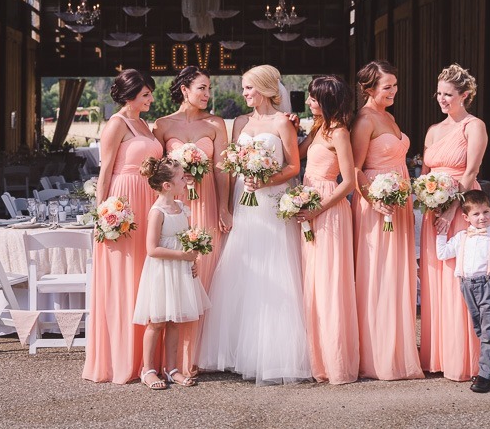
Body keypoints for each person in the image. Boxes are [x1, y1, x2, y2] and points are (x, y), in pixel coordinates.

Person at [198, 65, 311, 385]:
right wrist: (225, 206)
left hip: (271, 203)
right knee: (241, 269)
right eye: (244, 88)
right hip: (243, 203)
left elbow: (293, 166)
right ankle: (237, 351)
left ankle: (271, 354)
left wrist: (265, 181)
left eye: (249, 88)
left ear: (263, 88)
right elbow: (230, 166)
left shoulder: (281, 122)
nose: (244, 93)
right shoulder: (241, 123)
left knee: (275, 269)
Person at [83, 69, 163, 384]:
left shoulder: (146, 124)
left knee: (145, 273)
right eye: (145, 95)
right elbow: (105, 171)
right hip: (125, 200)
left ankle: (147, 357)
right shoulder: (116, 124)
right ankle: (121, 358)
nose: (151, 99)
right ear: (129, 96)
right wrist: (102, 213)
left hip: (150, 200)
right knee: (124, 276)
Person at [153, 66, 232, 376]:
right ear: (184, 90)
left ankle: (198, 355)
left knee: (205, 273)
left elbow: (223, 169)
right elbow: (155, 171)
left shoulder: (216, 125)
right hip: (176, 206)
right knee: (177, 273)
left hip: (208, 203)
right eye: (201, 88)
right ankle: (174, 359)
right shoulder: (161, 125)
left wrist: (225, 208)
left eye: (209, 88)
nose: (207, 94)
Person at [351, 61, 425, 381]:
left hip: (399, 201)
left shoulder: (390, 117)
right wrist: (374, 200)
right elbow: (353, 169)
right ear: (369, 89)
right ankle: (376, 353)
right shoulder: (365, 120)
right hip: (376, 205)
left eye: (395, 85)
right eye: (387, 86)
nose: (394, 91)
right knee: (377, 273)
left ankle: (397, 348)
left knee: (397, 273)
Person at [419, 63, 488, 382]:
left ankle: (463, 358)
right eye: (439, 93)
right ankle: (438, 356)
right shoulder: (433, 130)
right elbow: (424, 173)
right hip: (433, 211)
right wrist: (424, 201)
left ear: (465, 95)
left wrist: (450, 210)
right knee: (436, 283)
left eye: (448, 94)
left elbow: (470, 173)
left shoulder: (474, 127)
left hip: (461, 211)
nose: (442, 99)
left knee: (460, 281)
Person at [295, 75, 359, 384]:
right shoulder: (317, 128)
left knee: (330, 282)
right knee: (313, 282)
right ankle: (316, 359)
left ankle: (335, 361)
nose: (308, 102)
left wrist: (318, 208)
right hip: (308, 206)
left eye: (313, 98)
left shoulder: (340, 132)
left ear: (327, 101)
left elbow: (347, 181)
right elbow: (298, 156)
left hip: (329, 209)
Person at [133, 157, 211, 390]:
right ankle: (148, 370)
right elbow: (152, 249)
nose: (185, 180)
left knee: (175, 320)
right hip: (162, 272)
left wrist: (193, 259)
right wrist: (183, 257)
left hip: (180, 271)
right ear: (167, 185)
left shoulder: (181, 207)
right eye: (180, 177)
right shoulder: (157, 212)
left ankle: (172, 368)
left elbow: (187, 239)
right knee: (157, 322)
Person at [435, 190, 490, 393]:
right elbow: (442, 253)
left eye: (486, 212)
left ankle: (485, 376)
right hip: (467, 287)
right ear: (466, 217)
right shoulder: (461, 237)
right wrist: (441, 232)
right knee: (481, 331)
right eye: (477, 214)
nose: (482, 217)